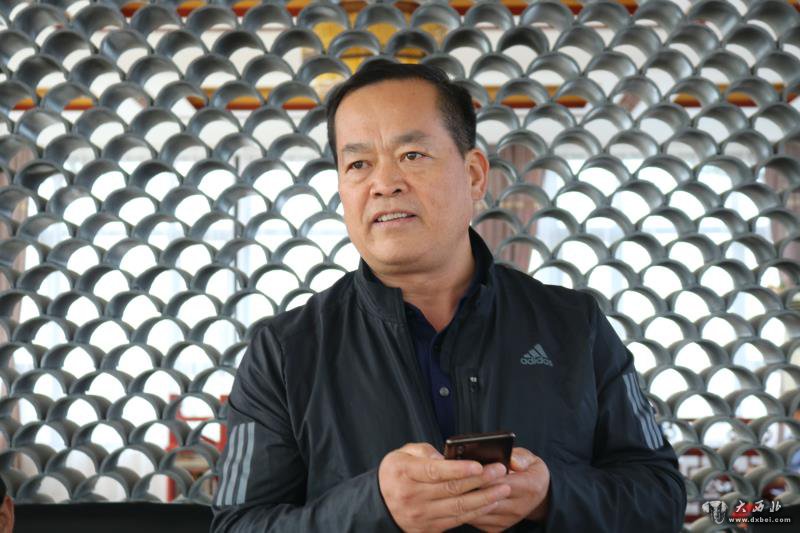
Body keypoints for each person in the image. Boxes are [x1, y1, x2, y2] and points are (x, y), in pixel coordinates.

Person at [211, 60, 686, 532]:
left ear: (474, 174)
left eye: (412, 155)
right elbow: (236, 526)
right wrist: (374, 508)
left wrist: (550, 496)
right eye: (358, 164)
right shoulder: (284, 352)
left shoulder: (574, 325)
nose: (384, 184)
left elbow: (661, 496)